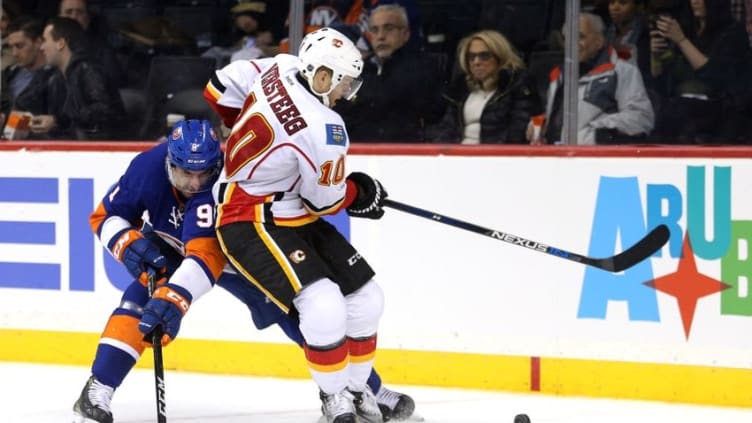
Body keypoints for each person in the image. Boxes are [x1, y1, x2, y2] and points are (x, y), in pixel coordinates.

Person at [211, 26, 391, 423]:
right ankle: (335, 397)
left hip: (290, 209)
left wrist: (239, 125)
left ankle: (359, 392)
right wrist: (359, 194)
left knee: (366, 298)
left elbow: (219, 84)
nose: (348, 92)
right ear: (322, 75)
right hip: (248, 215)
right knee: (323, 302)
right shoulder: (327, 128)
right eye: (345, 82)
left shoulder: (282, 65)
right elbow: (324, 200)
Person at [528, 12, 654, 145]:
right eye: (567, 38)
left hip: (598, 161)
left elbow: (641, 118)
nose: (572, 44)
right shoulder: (559, 74)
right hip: (558, 158)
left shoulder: (622, 71)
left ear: (599, 41)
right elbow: (561, 120)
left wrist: (595, 135)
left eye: (580, 37)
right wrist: (540, 125)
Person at [335, 3, 445, 142]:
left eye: (389, 28)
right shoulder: (359, 73)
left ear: (405, 34)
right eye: (375, 30)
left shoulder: (424, 69)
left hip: (403, 155)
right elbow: (342, 112)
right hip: (359, 155)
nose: (381, 36)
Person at [649, 0, 752, 143]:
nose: (695, 2)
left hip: (718, 117)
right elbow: (662, 82)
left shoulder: (733, 32)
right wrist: (656, 56)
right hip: (678, 112)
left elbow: (715, 76)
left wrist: (682, 40)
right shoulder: (686, 29)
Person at [432, 29, 542, 144]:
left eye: (484, 56)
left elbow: (517, 132)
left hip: (495, 157)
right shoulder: (461, 89)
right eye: (471, 57)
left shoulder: (516, 84)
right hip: (459, 156)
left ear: (499, 57)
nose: (476, 62)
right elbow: (446, 129)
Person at [33, 16, 125, 140]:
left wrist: (57, 121)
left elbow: (103, 110)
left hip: (101, 150)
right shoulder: (56, 79)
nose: (41, 47)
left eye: (45, 40)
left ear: (61, 43)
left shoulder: (88, 70)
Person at [0, 16, 65, 134]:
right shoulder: (7, 74)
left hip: (38, 147)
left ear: (38, 43)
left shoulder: (55, 78)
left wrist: (7, 122)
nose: (14, 53)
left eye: (19, 46)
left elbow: (58, 121)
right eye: (11, 47)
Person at [58, 0, 126, 88]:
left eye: (79, 12)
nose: (74, 17)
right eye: (68, 12)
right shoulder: (46, 45)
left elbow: (116, 81)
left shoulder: (101, 48)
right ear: (59, 18)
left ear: (87, 19)